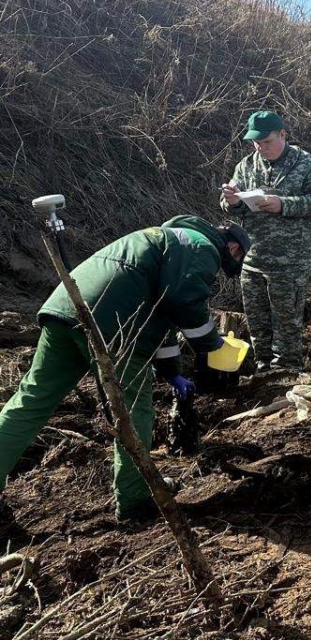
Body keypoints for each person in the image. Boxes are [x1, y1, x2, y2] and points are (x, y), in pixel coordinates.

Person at [0, 216, 249, 523]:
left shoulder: (161, 238)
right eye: (239, 257)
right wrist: (213, 344)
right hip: (114, 324)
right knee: (134, 412)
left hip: (64, 310)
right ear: (233, 247)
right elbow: (183, 300)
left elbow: (162, 318)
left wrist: (172, 372)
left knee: (30, 402)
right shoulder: (201, 246)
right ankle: (135, 499)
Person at [220, 110, 311, 371]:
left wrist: (283, 204)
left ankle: (287, 374)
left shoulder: (307, 165)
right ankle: (263, 369)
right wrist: (232, 201)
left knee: (286, 321)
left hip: (290, 261)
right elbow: (229, 206)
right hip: (253, 258)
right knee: (257, 321)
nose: (261, 147)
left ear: (283, 134)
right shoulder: (246, 166)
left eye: (267, 141)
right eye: (256, 143)